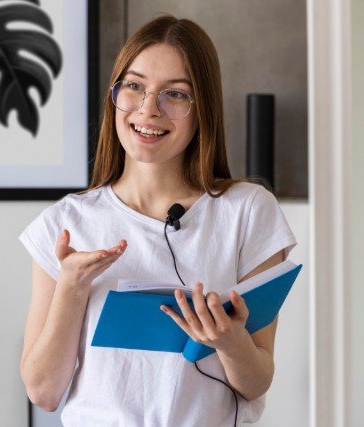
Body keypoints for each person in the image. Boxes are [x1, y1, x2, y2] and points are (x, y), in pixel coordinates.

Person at [18, 14, 297, 427]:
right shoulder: (64, 221)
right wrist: (72, 289)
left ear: (203, 109)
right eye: (134, 86)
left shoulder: (249, 210)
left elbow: (256, 382)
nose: (149, 109)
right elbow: (43, 392)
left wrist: (229, 341)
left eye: (176, 94)